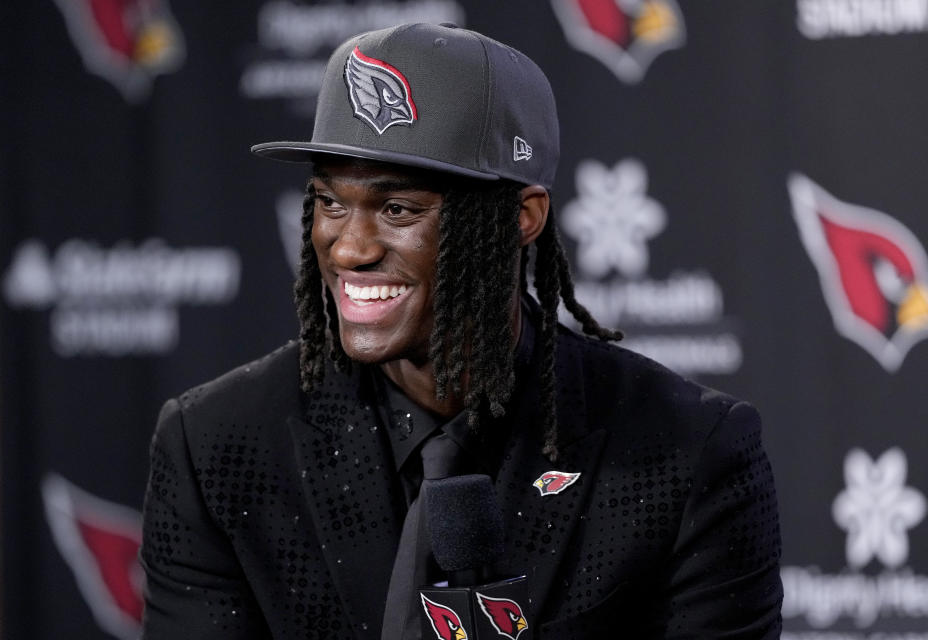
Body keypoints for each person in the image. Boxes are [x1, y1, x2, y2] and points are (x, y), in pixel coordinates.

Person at [139, 23, 782, 639]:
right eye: (331, 202)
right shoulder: (218, 447)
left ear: (522, 217)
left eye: (398, 209)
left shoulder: (686, 452)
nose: (348, 249)